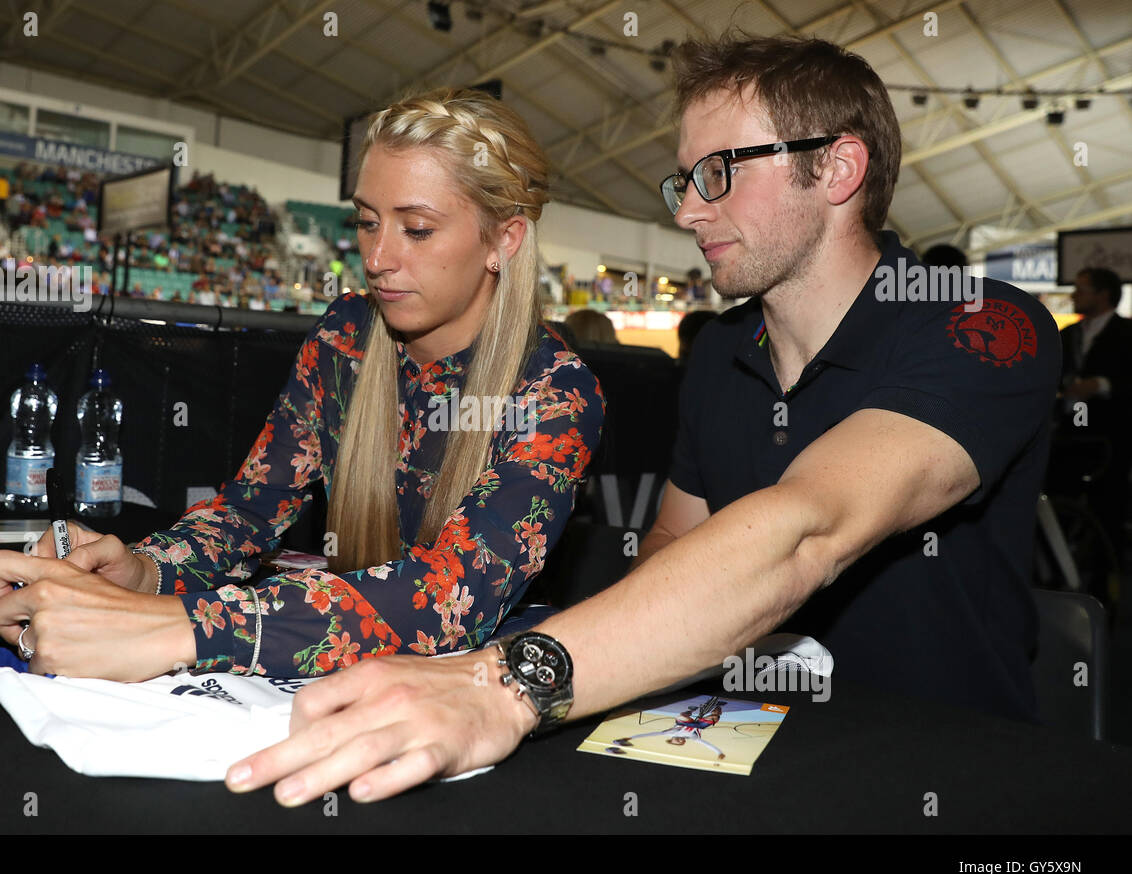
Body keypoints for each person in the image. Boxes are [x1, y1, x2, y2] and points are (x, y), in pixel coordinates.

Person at [208, 32, 1060, 808]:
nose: (687, 211)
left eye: (719, 173)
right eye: (682, 180)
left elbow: (808, 530)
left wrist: (502, 683)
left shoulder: (980, 324)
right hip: (737, 755)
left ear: (836, 169)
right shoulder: (721, 360)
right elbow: (665, 550)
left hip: (944, 775)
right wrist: (724, 615)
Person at [0, 87, 604, 685]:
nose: (378, 256)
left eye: (415, 229)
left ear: (505, 239)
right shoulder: (345, 335)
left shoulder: (555, 395)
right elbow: (250, 512)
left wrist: (169, 627)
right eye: (366, 222)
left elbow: (448, 598)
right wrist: (142, 571)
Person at [1055, 266, 1131, 560]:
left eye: (1081, 289)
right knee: (1062, 501)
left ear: (1103, 294)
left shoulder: (1126, 333)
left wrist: (1101, 384)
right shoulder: (1068, 334)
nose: (1074, 295)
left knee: (1108, 505)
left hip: (1112, 435)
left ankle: (1106, 583)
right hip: (1068, 433)